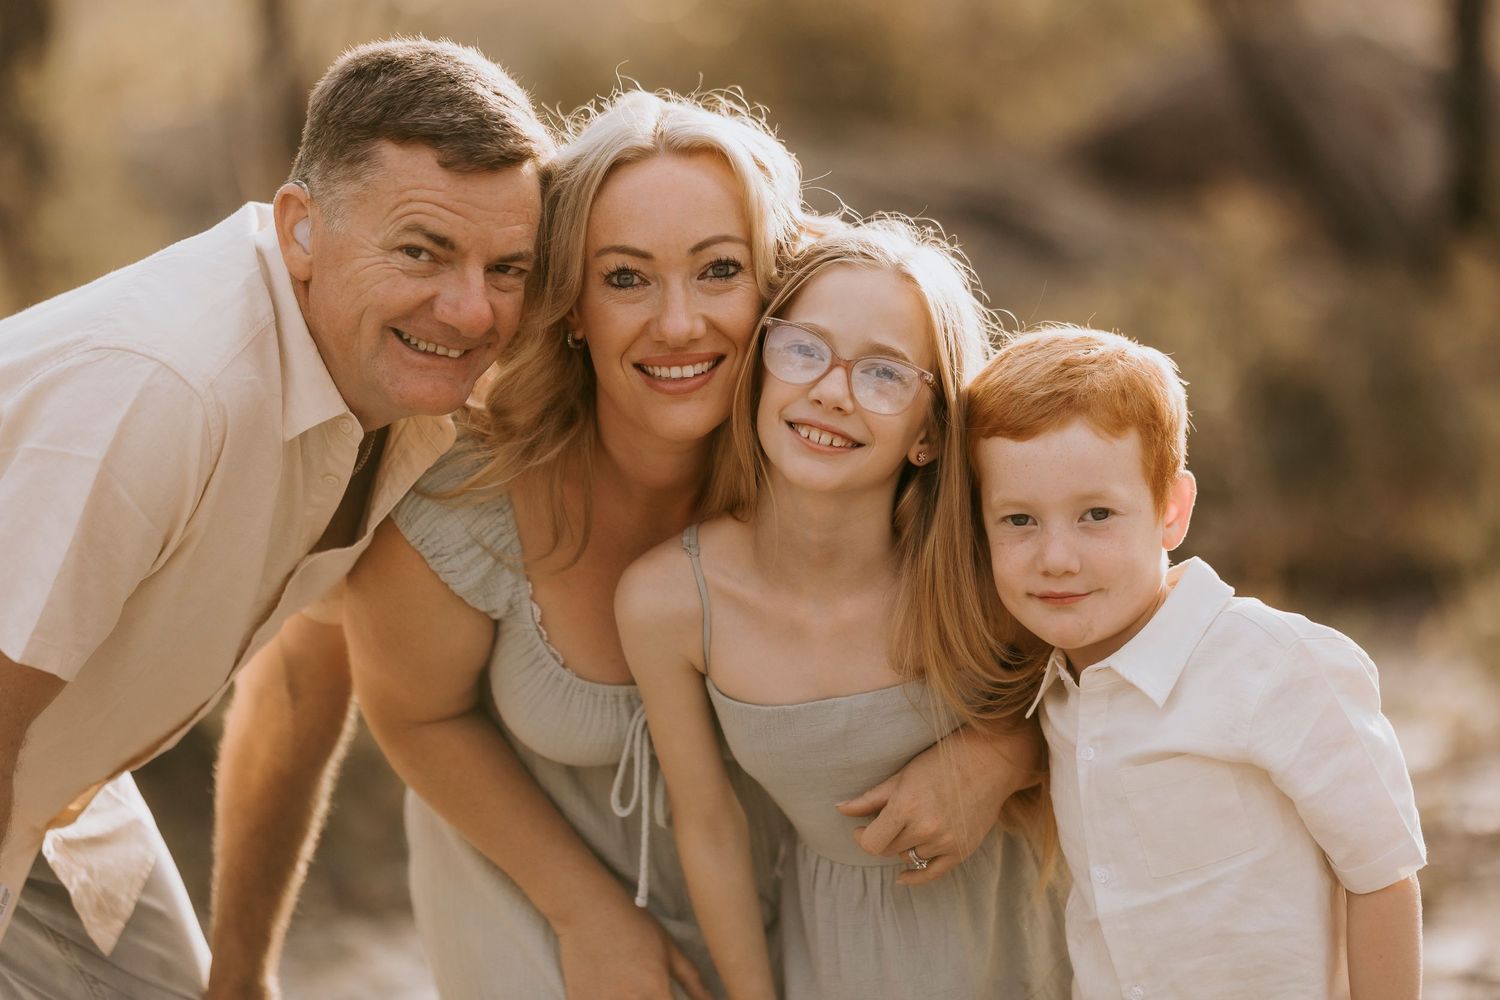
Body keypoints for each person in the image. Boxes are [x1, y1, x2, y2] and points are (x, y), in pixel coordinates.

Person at [346, 93, 1042, 1000]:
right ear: (571, 306)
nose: (678, 325)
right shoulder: (463, 494)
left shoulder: (832, 444)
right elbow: (398, 707)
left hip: (793, 920)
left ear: (775, 287)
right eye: (626, 278)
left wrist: (1000, 752)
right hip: (534, 899)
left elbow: (1066, 620)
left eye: (720, 270)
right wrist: (585, 915)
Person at [0, 37, 551, 999]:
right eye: (422, 250)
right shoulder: (164, 393)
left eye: (507, 267)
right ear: (301, 227)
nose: (470, 312)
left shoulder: (395, 390)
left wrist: (246, 974)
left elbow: (301, 675)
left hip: (60, 785)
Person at [617, 217, 1071, 1000]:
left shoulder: (984, 573)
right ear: (761, 371)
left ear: (929, 435)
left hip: (1026, 941)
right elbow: (711, 826)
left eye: (886, 374)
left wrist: (1002, 755)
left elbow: (1116, 704)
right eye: (803, 350)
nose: (831, 391)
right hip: (838, 956)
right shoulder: (669, 602)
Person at [966, 325, 1426, 1000]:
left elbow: (1384, 875)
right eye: (1019, 520)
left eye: (1096, 514)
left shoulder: (1272, 665)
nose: (1056, 557)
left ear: (1171, 511)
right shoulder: (1055, 692)